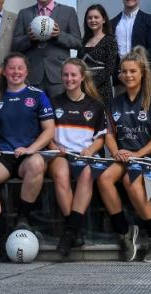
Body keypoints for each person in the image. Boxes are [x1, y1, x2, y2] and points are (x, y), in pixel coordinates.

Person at [0, 53, 56, 260]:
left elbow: (49, 130)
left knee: (37, 164)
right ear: (4, 71)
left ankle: (22, 219)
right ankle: (2, 234)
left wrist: (32, 149)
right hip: (4, 156)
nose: (16, 72)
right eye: (11, 68)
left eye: (20, 68)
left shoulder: (38, 95)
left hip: (28, 155)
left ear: (27, 71)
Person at [96, 47, 151, 263]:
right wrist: (116, 151)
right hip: (126, 156)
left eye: (133, 71)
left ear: (142, 73)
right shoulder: (114, 102)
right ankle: (125, 232)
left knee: (131, 181)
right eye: (124, 71)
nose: (128, 75)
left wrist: (138, 153)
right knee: (104, 178)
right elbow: (109, 134)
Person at [47, 58, 108, 258]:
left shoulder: (95, 105)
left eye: (73, 75)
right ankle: (74, 230)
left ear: (82, 77)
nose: (69, 78)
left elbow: (101, 138)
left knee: (88, 173)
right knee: (60, 173)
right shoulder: (53, 102)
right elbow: (47, 134)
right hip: (61, 154)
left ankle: (70, 232)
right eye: (65, 75)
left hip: (85, 155)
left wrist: (90, 150)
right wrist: (53, 146)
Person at [13, 0, 81, 98]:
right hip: (33, 75)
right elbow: (15, 45)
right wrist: (29, 39)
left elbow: (77, 42)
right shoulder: (24, 13)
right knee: (34, 109)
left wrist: (59, 36)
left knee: (59, 109)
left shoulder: (68, 11)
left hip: (59, 75)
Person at [110, 0, 151, 82]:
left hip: (145, 76)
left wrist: (135, 66)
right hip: (121, 78)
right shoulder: (112, 23)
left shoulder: (150, 20)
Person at [77, 4, 118, 108]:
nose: (93, 20)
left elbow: (110, 68)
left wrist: (91, 85)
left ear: (103, 20)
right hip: (83, 88)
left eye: (96, 17)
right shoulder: (83, 41)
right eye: (89, 18)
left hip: (102, 89)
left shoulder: (110, 40)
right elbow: (78, 64)